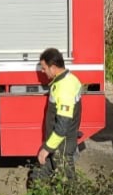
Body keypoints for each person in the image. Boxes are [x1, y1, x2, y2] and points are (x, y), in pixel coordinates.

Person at [30, 47, 82, 185]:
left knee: (67, 185)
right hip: (57, 143)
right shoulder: (69, 80)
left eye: (44, 68)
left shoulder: (64, 88)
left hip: (61, 145)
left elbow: (62, 125)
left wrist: (47, 148)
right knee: (38, 177)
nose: (42, 71)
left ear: (53, 67)